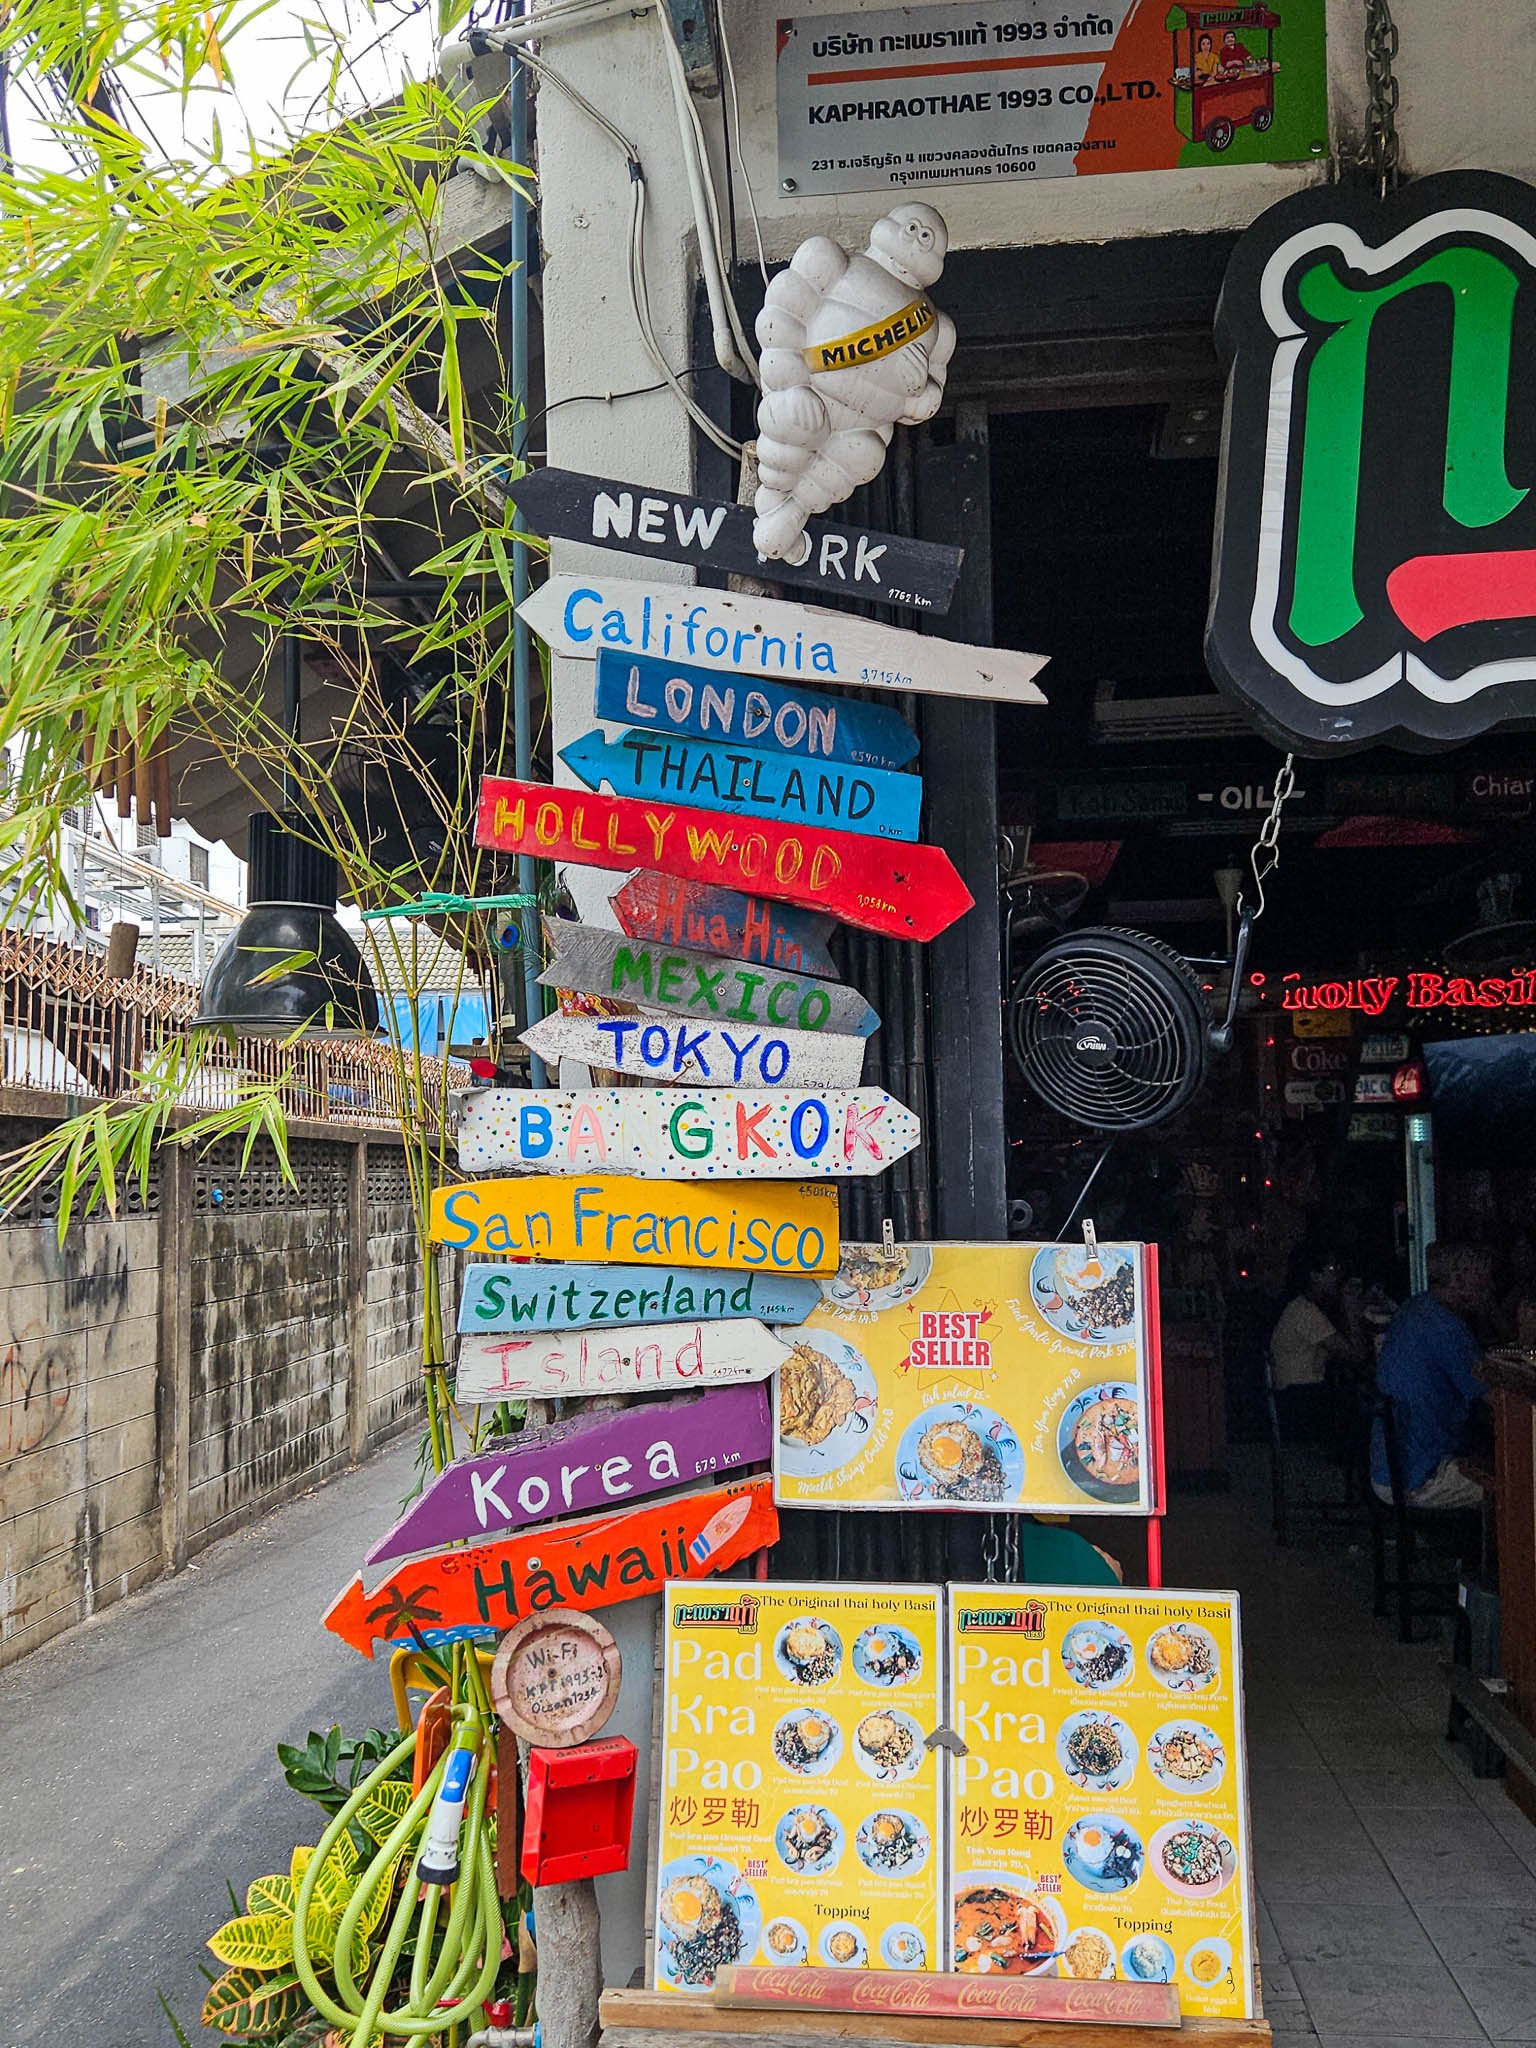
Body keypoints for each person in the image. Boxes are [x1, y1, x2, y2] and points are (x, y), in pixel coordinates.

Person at [1371, 1242, 1493, 1510]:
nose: (1489, 1289)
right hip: (1420, 1475)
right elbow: (1495, 1399)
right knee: (1520, 1481)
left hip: (1390, 1466)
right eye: (1483, 1281)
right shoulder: (1448, 1328)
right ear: (1459, 1280)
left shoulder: (1414, 1308)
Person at [1268, 1246, 1369, 1441]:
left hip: (1299, 1396)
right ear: (1314, 1276)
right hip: (1300, 1399)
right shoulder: (1306, 1313)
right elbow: (1355, 1355)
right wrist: (1351, 1309)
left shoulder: (1300, 1308)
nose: (1336, 1277)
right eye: (1331, 1270)